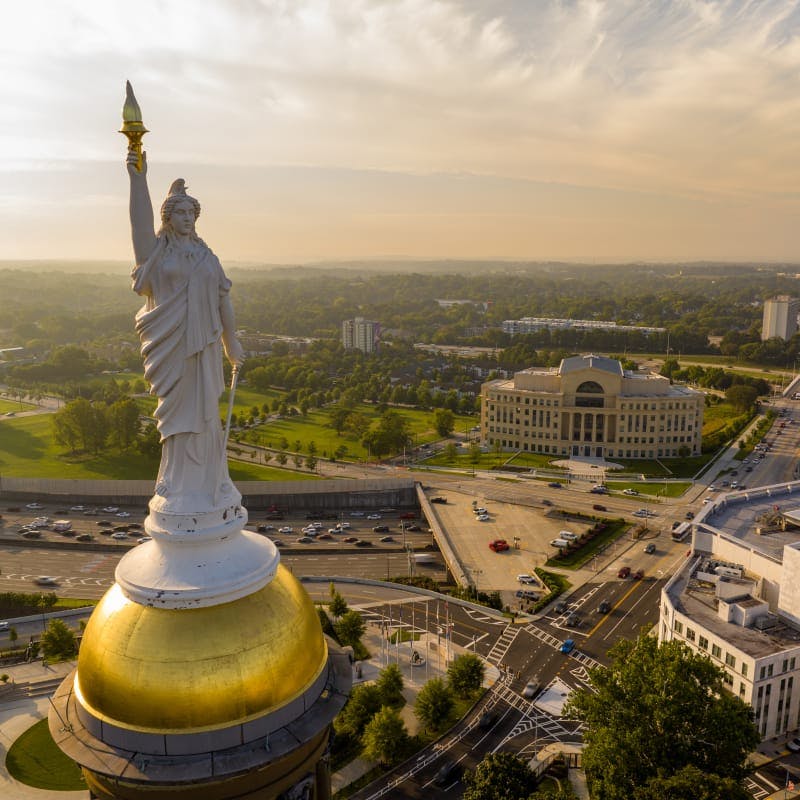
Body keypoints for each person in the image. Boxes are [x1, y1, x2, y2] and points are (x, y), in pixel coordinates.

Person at [127, 150, 244, 513]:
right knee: (177, 415)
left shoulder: (207, 256)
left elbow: (223, 298)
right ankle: (177, 483)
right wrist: (138, 180)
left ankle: (209, 480)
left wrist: (231, 341)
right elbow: (139, 226)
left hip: (204, 346)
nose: (188, 218)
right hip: (171, 346)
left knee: (205, 414)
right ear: (168, 217)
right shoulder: (157, 255)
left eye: (192, 213)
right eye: (180, 212)